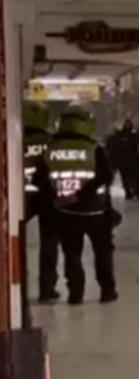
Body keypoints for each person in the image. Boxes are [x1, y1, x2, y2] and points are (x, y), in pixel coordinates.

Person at [34, 107, 117, 304]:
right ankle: (107, 291)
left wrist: (57, 197)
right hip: (96, 211)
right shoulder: (94, 149)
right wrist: (81, 195)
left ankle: (75, 293)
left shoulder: (50, 149)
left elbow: (39, 179)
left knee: (72, 253)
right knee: (103, 251)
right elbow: (106, 176)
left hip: (66, 211)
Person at [23, 101, 61, 302]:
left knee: (14, 241)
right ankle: (47, 289)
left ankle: (17, 287)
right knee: (49, 243)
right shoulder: (52, 142)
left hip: (21, 197)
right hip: (48, 197)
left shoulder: (14, 140)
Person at [109, 118, 139, 200]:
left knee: (135, 178)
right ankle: (130, 193)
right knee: (127, 178)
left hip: (131, 161)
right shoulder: (121, 136)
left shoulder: (132, 135)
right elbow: (112, 148)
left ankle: (137, 193)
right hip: (125, 161)